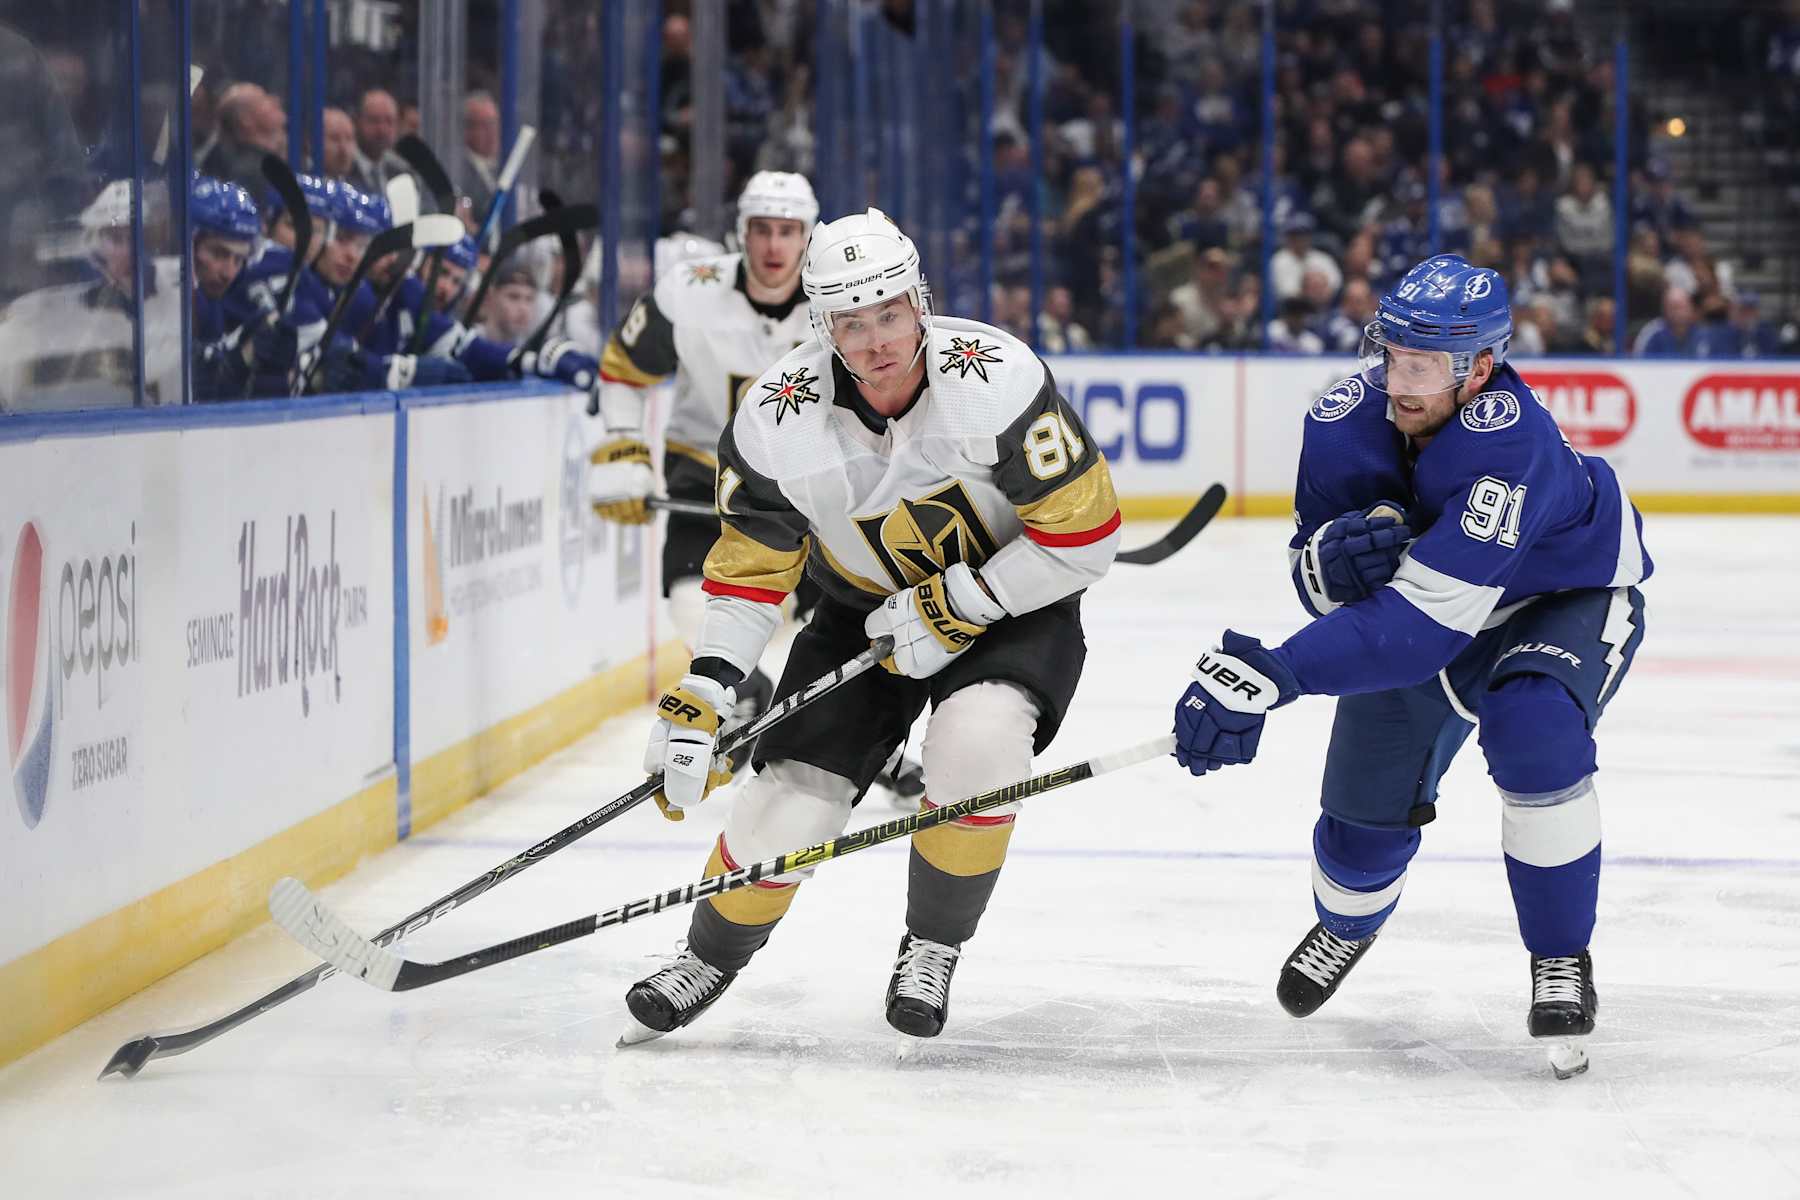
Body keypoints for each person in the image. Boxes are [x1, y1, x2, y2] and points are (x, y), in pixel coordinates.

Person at [621, 208, 1121, 1046]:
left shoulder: (996, 376)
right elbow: (752, 571)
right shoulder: (774, 418)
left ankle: (931, 945)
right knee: (789, 804)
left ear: (920, 304)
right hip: (858, 609)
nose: (878, 339)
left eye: (890, 312)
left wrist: (965, 602)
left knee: (979, 743)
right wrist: (707, 685)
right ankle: (709, 953)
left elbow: (1085, 540)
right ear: (824, 328)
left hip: (1012, 601)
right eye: (852, 322)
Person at [1168, 255, 1651, 1076]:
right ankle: (1349, 923)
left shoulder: (1511, 440)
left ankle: (1560, 956)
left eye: (1425, 365)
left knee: (1533, 728)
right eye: (1393, 354)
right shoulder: (1342, 417)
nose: (1401, 380)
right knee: (1360, 817)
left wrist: (1272, 674)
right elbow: (1314, 577)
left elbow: (1422, 627)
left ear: (1481, 369)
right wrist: (1331, 564)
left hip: (1561, 598)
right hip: (1432, 609)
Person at [586, 171, 820, 772]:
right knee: (693, 602)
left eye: (787, 231)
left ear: (808, 237)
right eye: (762, 229)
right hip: (706, 470)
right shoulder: (688, 291)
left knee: (837, 619)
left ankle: (874, 744)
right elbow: (623, 368)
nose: (774, 246)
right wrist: (622, 446)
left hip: (816, 481)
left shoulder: (839, 297)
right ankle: (747, 694)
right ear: (740, 232)